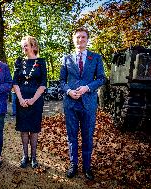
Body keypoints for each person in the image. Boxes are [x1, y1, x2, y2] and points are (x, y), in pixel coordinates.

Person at [59, 27, 106, 180]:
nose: (80, 40)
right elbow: (61, 81)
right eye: (78, 37)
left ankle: (87, 166)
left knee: (87, 136)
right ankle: (73, 165)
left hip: (88, 104)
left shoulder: (96, 58)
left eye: (83, 37)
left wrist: (87, 87)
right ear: (74, 40)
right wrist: (68, 91)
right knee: (71, 136)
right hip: (71, 104)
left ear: (87, 39)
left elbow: (101, 78)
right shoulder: (66, 58)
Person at [13, 35, 47, 168]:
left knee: (34, 129)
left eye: (26, 45)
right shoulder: (19, 61)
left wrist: (33, 99)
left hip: (36, 100)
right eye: (23, 45)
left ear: (33, 46)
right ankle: (25, 156)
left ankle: (34, 158)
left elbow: (43, 83)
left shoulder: (41, 62)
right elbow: (15, 82)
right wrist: (20, 99)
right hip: (21, 100)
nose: (24, 47)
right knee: (23, 129)